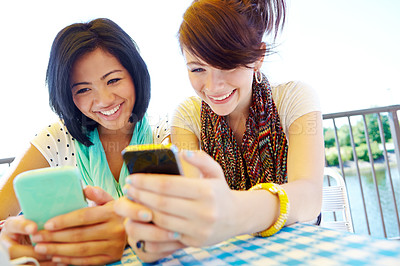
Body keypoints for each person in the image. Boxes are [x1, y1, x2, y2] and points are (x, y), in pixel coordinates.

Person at [114, 0, 325, 263]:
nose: (213, 87)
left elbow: (309, 195)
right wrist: (157, 229)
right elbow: (191, 200)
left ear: (258, 56)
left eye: (227, 65)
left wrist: (234, 212)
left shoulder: (294, 97)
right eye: (198, 69)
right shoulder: (188, 115)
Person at [0, 18, 154, 265]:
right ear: (66, 95)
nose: (103, 100)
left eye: (113, 80)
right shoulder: (56, 138)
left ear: (135, 75)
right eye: (83, 90)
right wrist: (7, 245)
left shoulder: (164, 131)